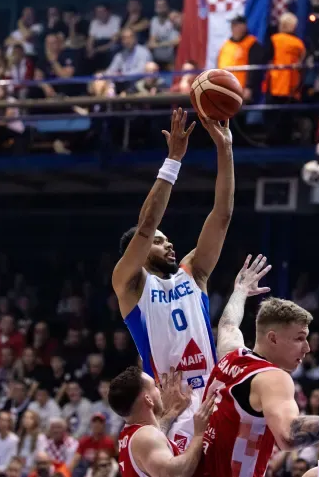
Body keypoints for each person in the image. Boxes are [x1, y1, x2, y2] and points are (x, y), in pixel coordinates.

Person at [197, 255, 319, 477]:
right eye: (299, 338)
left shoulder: (231, 355)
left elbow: (228, 324)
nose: (307, 348)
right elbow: (289, 436)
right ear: (273, 338)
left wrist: (241, 291)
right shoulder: (272, 378)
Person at [113, 108, 234, 449]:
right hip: (172, 407)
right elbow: (147, 225)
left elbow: (222, 216)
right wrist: (174, 160)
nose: (169, 244)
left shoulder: (193, 273)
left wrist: (225, 150)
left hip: (214, 399)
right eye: (159, 241)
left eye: (168, 240)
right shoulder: (131, 284)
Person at [109, 366, 215, 477]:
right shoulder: (144, 437)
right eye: (154, 386)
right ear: (148, 399)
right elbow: (174, 474)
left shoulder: (130, 435)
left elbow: (156, 437)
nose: (159, 389)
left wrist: (172, 412)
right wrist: (199, 434)